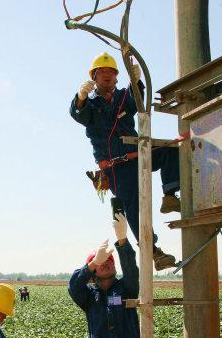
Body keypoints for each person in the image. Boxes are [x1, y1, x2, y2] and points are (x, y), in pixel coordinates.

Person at [70, 52, 179, 271]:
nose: (107, 76)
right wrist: (80, 97)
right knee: (134, 207)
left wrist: (136, 81)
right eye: (102, 72)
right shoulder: (90, 106)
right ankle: (153, 251)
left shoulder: (122, 98)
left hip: (138, 157)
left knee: (170, 151)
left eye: (111, 72)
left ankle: (169, 195)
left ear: (117, 78)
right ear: (94, 77)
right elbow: (78, 114)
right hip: (116, 168)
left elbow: (136, 100)